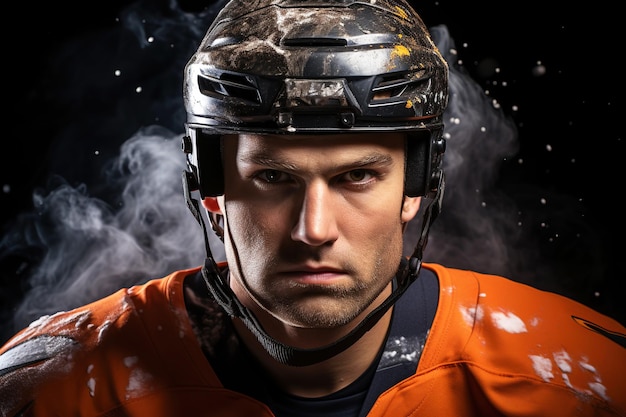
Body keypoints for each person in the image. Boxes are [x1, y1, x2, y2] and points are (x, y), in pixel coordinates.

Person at [1, 0, 625, 415]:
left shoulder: (581, 381)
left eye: (357, 176)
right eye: (273, 177)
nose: (314, 230)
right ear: (212, 187)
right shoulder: (54, 392)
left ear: (417, 186)